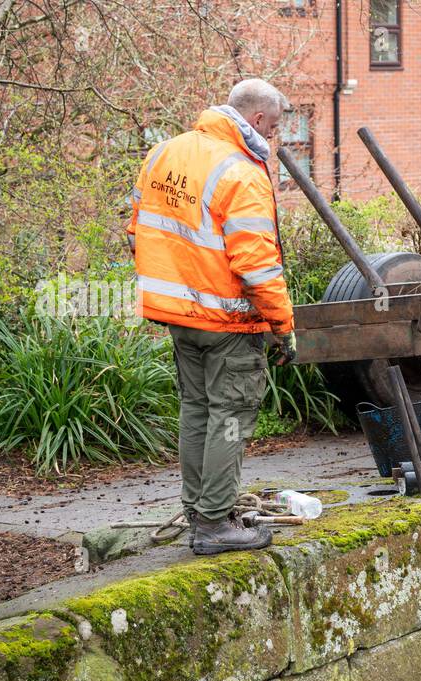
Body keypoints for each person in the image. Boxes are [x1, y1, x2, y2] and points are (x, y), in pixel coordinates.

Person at [127, 78, 299, 555]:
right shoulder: (241, 173)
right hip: (227, 321)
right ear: (259, 120)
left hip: (178, 315)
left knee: (197, 411)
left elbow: (136, 228)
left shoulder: (165, 153)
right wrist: (283, 327)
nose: (278, 135)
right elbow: (257, 266)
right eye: (278, 126)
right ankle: (214, 523)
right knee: (230, 416)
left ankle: (198, 511)